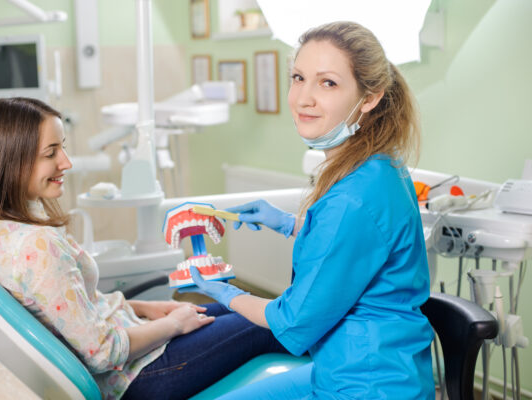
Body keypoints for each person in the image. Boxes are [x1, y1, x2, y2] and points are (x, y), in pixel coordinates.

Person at [0, 97, 287, 400]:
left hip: (132, 341)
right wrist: (172, 325)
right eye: (51, 152)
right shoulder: (38, 246)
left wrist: (143, 308)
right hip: (133, 377)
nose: (65, 162)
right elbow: (100, 352)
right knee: (271, 322)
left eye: (63, 147)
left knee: (244, 305)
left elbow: (68, 310)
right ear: (12, 161)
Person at [186, 21, 435, 399]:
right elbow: (357, 246)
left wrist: (224, 293)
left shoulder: (352, 197)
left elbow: (293, 320)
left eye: (328, 83)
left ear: (369, 98)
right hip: (356, 366)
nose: (304, 98)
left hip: (367, 383)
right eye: (298, 77)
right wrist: (289, 224)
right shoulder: (378, 166)